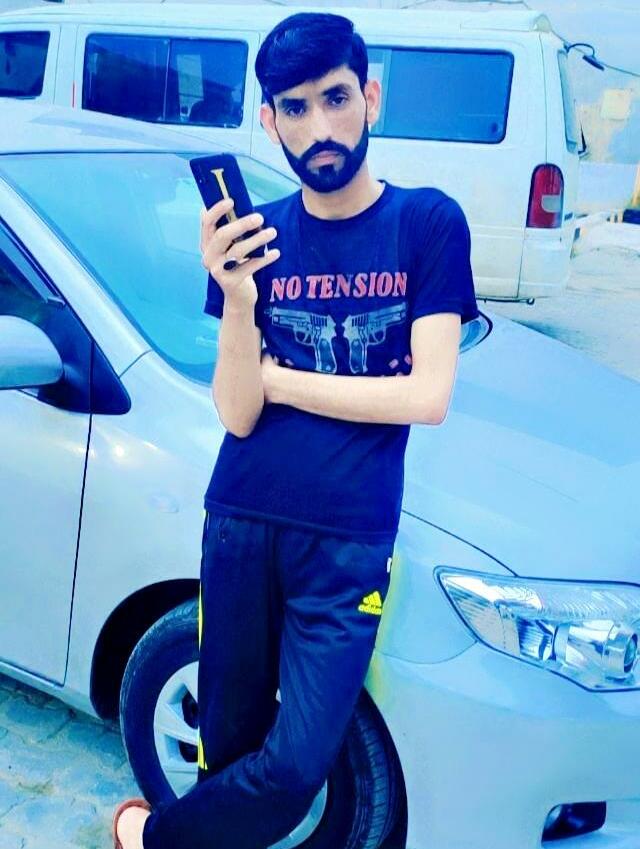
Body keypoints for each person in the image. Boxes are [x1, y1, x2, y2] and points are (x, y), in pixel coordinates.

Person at [112, 11, 479, 849]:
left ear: (370, 98)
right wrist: (240, 299)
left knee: (296, 763)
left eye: (336, 98)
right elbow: (239, 411)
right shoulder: (258, 239)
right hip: (241, 520)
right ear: (269, 120)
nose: (319, 127)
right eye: (295, 108)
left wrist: (280, 378)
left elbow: (427, 395)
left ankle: (150, 836)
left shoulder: (427, 223)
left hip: (349, 539)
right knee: (226, 740)